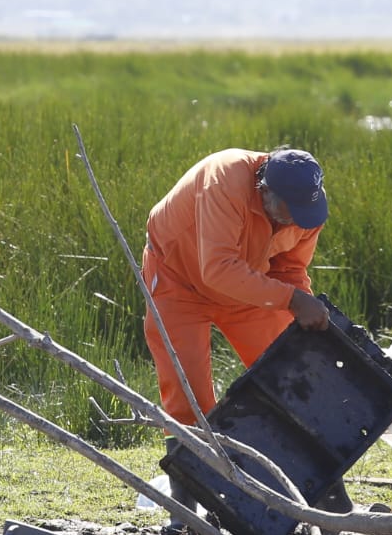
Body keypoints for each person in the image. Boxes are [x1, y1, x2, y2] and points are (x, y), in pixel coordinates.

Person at [140, 146, 330, 425]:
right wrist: (293, 300)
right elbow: (218, 269)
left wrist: (303, 310)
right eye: (288, 212)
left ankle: (294, 445)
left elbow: (288, 269)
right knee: (189, 400)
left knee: (290, 371)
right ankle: (192, 453)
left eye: (303, 213)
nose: (295, 221)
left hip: (248, 284)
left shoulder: (307, 210)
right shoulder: (225, 181)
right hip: (178, 279)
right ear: (264, 190)